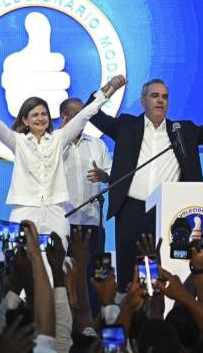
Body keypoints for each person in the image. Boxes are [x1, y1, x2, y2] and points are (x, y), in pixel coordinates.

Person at [86, 78, 203, 292]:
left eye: (165, 97)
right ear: (142, 101)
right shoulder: (126, 126)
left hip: (167, 213)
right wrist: (108, 90)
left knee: (161, 272)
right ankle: (129, 319)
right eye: (154, 96)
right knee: (129, 275)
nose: (160, 101)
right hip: (130, 210)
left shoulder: (182, 131)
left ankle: (159, 318)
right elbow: (92, 113)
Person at [0, 76, 125, 246]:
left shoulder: (58, 139)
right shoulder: (18, 141)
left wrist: (109, 90)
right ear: (25, 120)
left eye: (44, 114)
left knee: (55, 267)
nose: (40, 118)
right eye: (34, 115)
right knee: (19, 263)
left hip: (56, 213)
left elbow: (85, 114)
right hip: (24, 210)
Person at [59, 97, 112, 314]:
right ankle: (67, 319)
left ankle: (98, 318)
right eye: (77, 115)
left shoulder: (97, 144)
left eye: (85, 114)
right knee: (66, 276)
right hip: (63, 223)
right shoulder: (54, 143)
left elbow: (112, 176)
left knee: (97, 274)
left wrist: (103, 175)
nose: (83, 119)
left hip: (93, 221)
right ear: (65, 118)